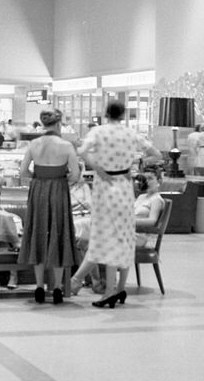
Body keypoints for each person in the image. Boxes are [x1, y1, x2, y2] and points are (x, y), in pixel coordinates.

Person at [79, 100, 161, 308]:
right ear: (123, 114)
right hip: (125, 187)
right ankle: (120, 289)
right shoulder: (130, 134)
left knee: (106, 235)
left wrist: (98, 168)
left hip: (105, 188)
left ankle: (108, 292)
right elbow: (156, 154)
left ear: (106, 113)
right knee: (124, 236)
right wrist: (135, 163)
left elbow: (82, 151)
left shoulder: (99, 132)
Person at [17, 108, 80, 303]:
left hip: (38, 190)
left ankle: (38, 286)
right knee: (58, 233)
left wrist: (39, 178)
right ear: (59, 124)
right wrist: (61, 180)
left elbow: (23, 171)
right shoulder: (66, 145)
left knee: (38, 231)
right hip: (59, 190)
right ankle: (58, 286)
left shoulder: (34, 144)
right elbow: (76, 174)